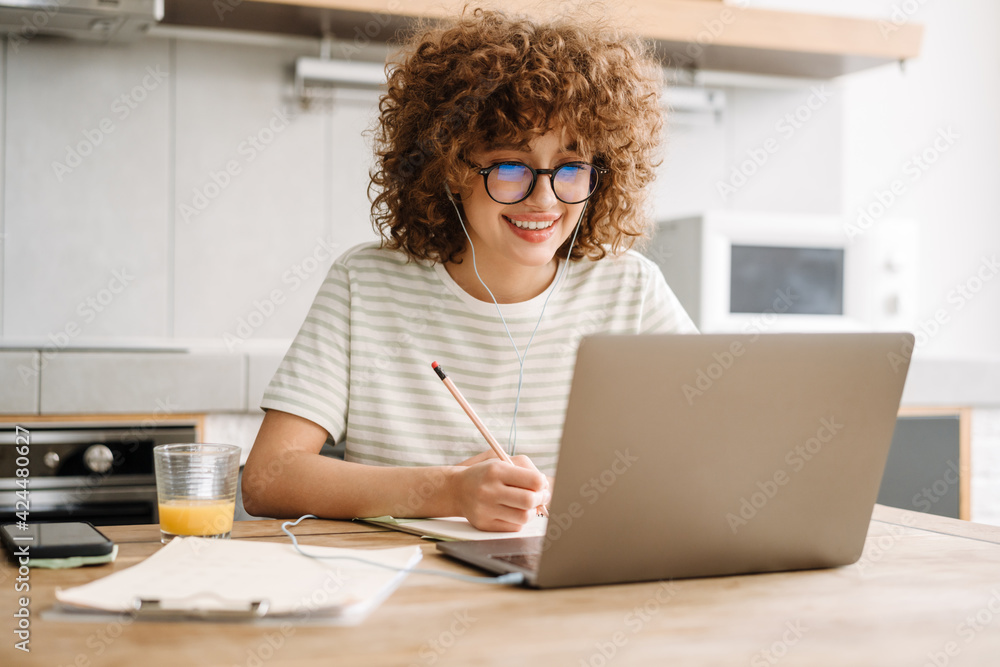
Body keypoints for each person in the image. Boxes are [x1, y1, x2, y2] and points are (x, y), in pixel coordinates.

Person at [241, 6, 697, 531]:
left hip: (574, 594)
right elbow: (267, 479)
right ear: (451, 166)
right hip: (407, 592)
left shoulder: (630, 291)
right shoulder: (366, 286)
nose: (544, 199)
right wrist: (450, 491)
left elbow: (713, 453)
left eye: (571, 167)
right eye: (510, 167)